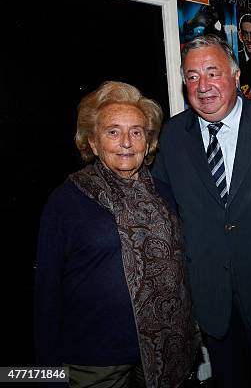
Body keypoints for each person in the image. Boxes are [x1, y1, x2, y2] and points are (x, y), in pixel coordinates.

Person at [152, 34, 251, 388]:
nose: (203, 86)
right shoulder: (171, 138)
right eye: (192, 77)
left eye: (212, 72)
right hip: (210, 301)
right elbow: (163, 214)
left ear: (236, 75)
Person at [34, 81, 199, 386]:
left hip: (168, 352)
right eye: (113, 131)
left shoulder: (163, 193)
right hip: (95, 360)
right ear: (93, 143)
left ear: (147, 143)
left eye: (136, 132)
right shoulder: (67, 199)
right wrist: (47, 370)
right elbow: (47, 287)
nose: (126, 142)